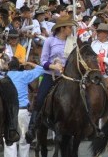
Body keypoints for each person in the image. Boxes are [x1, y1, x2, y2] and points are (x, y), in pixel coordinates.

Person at [25, 16, 78, 144]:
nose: (71, 29)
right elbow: (43, 60)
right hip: (51, 75)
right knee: (40, 98)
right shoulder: (50, 41)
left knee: (83, 95)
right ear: (63, 28)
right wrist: (53, 66)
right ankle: (32, 127)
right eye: (70, 27)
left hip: (69, 77)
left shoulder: (74, 41)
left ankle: (88, 124)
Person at [4, 58, 44, 157]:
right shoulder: (24, 75)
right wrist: (29, 63)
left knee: (9, 141)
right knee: (24, 141)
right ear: (19, 67)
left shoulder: (4, 76)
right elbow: (41, 69)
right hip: (23, 112)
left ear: (8, 66)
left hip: (8, 113)